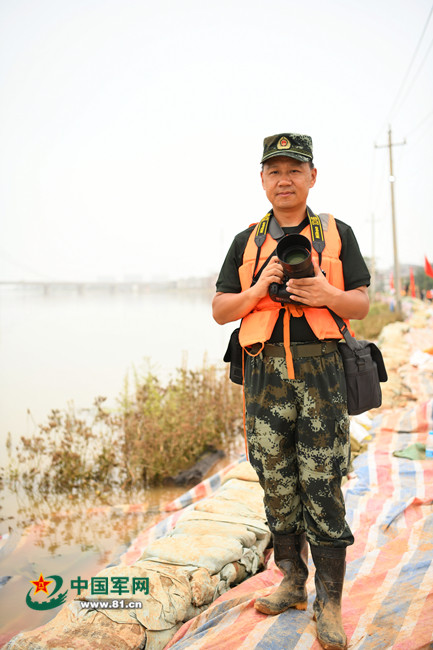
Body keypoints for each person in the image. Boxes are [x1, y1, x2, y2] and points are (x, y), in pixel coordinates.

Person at [212, 133, 370, 650]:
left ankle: (330, 602)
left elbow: (362, 305)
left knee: (322, 483)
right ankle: (292, 582)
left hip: (321, 371)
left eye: (294, 170)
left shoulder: (337, 233)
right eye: (274, 171)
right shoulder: (246, 241)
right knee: (275, 481)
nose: (284, 179)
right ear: (262, 180)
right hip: (263, 375)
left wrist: (326, 294)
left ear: (312, 177)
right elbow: (220, 310)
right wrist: (259, 289)